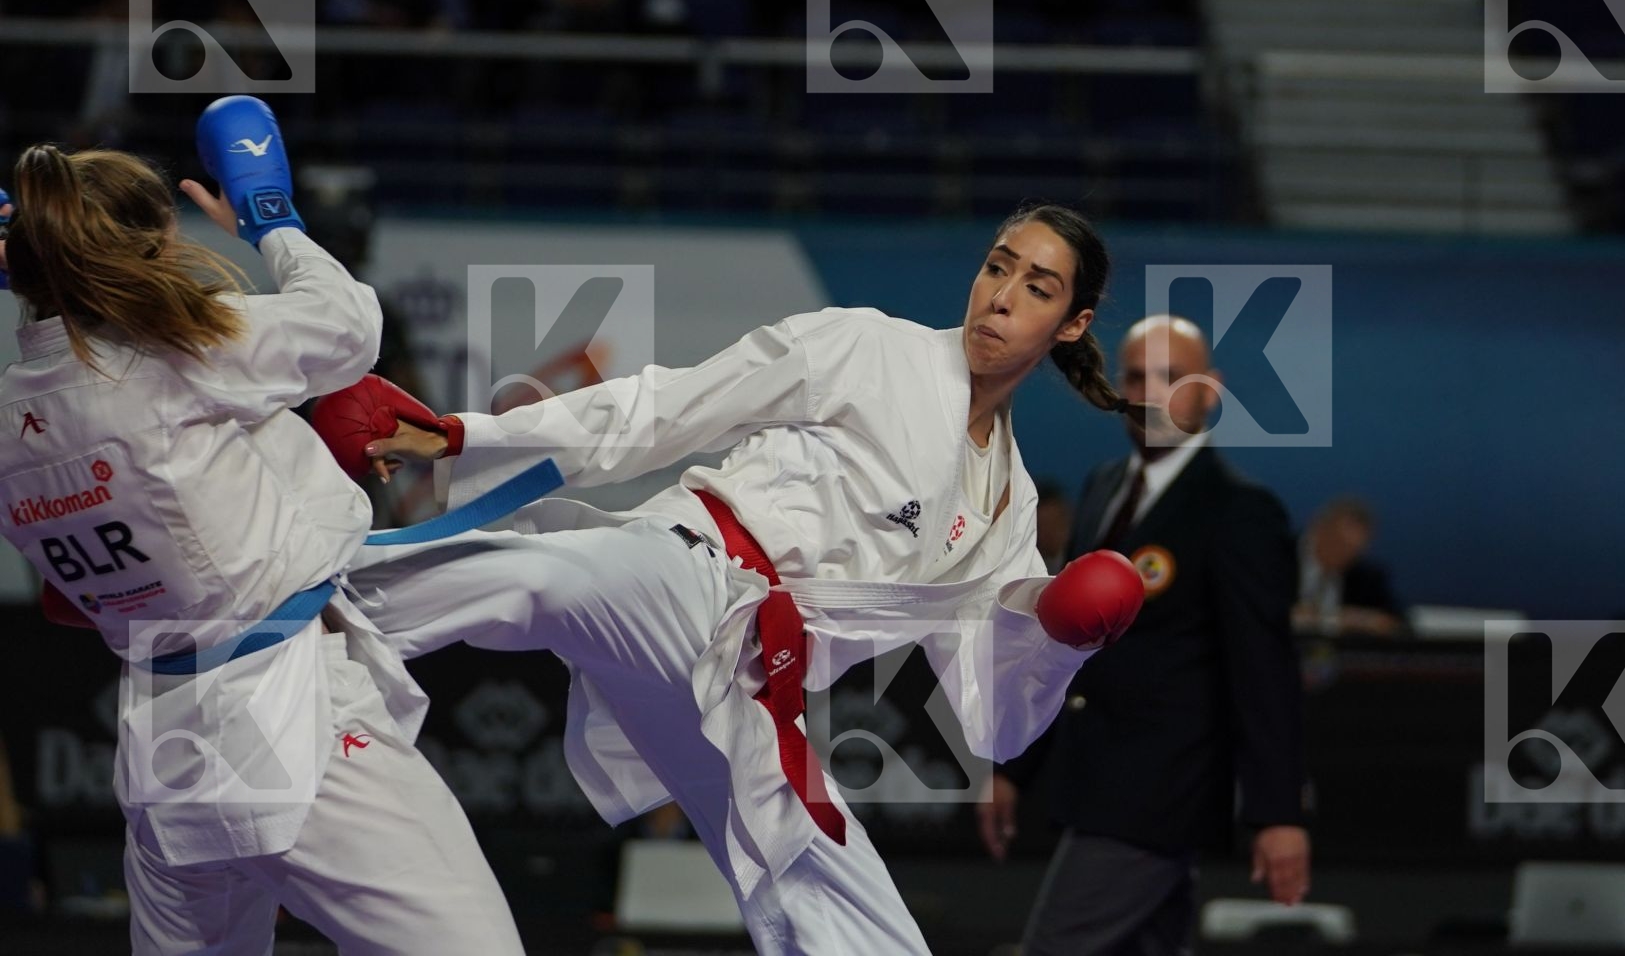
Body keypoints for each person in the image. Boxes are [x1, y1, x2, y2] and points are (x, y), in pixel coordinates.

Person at [329, 203, 1146, 954]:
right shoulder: (871, 349)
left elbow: (993, 724)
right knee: (553, 578)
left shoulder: (1008, 511)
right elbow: (668, 408)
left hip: (755, 692)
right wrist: (462, 437)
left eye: (1036, 288)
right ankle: (309, 597)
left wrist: (1057, 635)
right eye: (997, 267)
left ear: (1071, 324)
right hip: (694, 571)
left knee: (855, 918)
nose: (1000, 297)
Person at [0, 99, 523, 955]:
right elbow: (348, 329)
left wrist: (45, 288)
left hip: (162, 741)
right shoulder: (177, 357)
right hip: (282, 715)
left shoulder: (12, 420)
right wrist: (267, 214)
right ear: (152, 251)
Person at [978, 314, 1310, 956]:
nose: (1150, 393)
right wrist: (1014, 767)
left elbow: (1264, 671)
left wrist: (1279, 814)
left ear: (1209, 389)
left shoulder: (1238, 510)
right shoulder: (1104, 487)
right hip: (1095, 783)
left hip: (1160, 797)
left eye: (1170, 377)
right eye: (1135, 378)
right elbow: (1067, 646)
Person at [1293, 495, 1405, 638]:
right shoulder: (1276, 556)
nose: (1344, 554)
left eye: (1354, 549)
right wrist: (1334, 618)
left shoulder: (1366, 575)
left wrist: (1362, 619)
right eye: (1339, 542)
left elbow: (1395, 620)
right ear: (1319, 528)